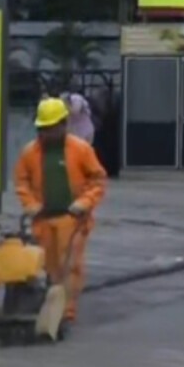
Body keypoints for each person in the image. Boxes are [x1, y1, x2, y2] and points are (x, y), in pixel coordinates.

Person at [13, 97, 109, 325]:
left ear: (63, 124)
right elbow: (21, 182)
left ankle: (67, 311)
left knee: (71, 265)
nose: (47, 133)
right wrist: (31, 205)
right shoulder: (30, 153)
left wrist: (84, 203)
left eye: (51, 127)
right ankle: (51, 304)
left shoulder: (80, 150)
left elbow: (97, 180)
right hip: (43, 218)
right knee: (49, 265)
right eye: (43, 129)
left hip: (72, 218)